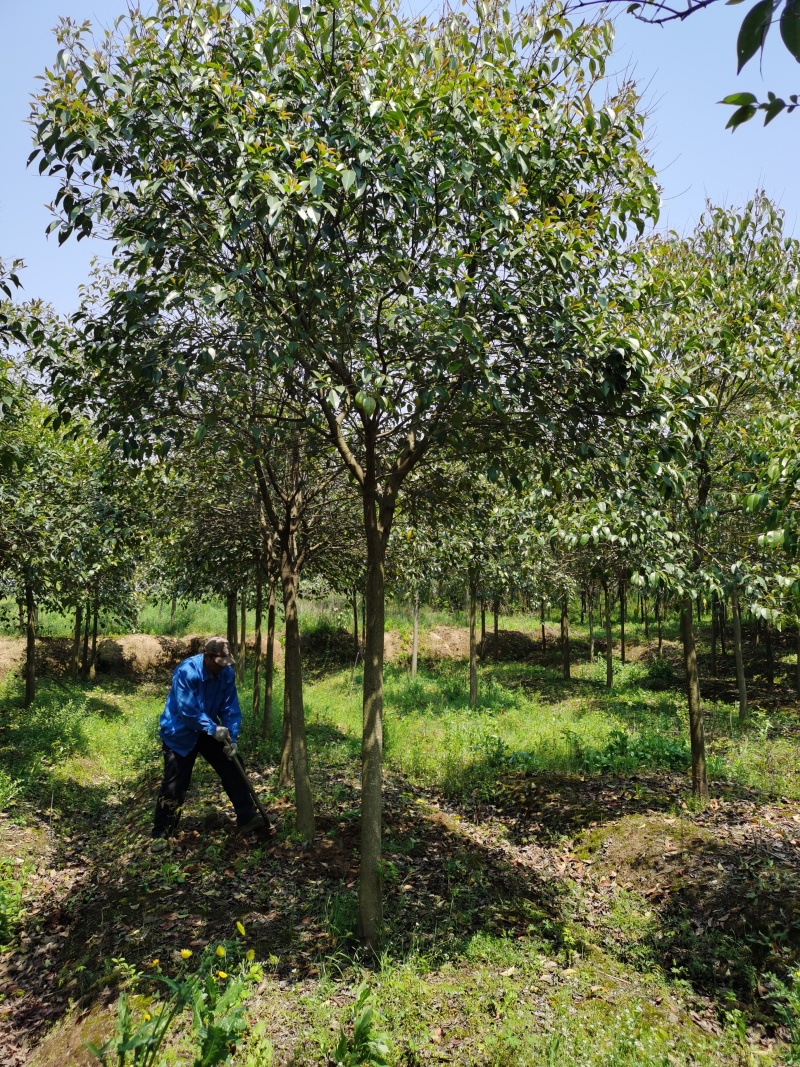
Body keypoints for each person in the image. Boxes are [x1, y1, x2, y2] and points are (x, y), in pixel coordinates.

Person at [152, 635, 265, 841]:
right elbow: (188, 712)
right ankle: (162, 831)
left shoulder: (226, 674)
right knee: (175, 783)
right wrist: (213, 729)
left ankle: (247, 817)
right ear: (207, 656)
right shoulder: (186, 672)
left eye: (225, 663)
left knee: (233, 763)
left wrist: (232, 736)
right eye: (218, 663)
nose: (222, 667)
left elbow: (231, 707)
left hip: (209, 730)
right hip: (180, 732)